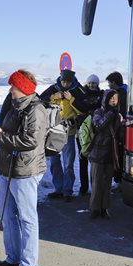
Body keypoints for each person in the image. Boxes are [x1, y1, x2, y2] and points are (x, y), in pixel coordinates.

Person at [0, 69, 48, 266]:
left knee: (27, 218)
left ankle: (29, 262)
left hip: (25, 170)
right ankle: (13, 257)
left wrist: (2, 135)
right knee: (6, 214)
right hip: (9, 168)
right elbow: (11, 135)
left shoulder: (36, 110)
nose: (10, 90)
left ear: (22, 88)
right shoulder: (15, 106)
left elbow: (31, 141)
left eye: (13, 86)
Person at [39, 69, 88, 201]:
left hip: (68, 133)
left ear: (72, 81)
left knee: (68, 164)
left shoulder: (78, 90)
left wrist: (71, 99)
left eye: (68, 82)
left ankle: (68, 191)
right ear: (60, 80)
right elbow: (39, 101)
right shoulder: (53, 89)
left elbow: (84, 108)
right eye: (63, 81)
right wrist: (52, 97)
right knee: (55, 162)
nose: (65, 84)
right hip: (53, 132)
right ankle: (58, 189)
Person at [88, 89, 123, 219]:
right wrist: (110, 114)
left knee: (107, 183)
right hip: (98, 152)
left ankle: (104, 208)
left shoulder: (118, 114)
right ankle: (95, 208)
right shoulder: (99, 111)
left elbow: (119, 133)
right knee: (97, 182)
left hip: (110, 153)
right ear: (105, 99)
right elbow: (98, 125)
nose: (114, 100)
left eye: (116, 98)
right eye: (111, 98)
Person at [76, 74, 103, 196]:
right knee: (83, 159)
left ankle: (95, 186)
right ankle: (84, 187)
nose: (91, 85)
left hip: (96, 131)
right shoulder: (81, 94)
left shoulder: (101, 95)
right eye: (90, 83)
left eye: (94, 83)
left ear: (97, 84)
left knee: (95, 160)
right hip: (83, 130)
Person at [105, 71, 128, 189]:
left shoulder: (121, 95)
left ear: (114, 82)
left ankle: (119, 180)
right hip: (119, 128)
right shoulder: (124, 92)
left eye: (109, 83)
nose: (108, 85)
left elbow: (121, 112)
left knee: (118, 153)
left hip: (120, 129)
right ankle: (119, 179)